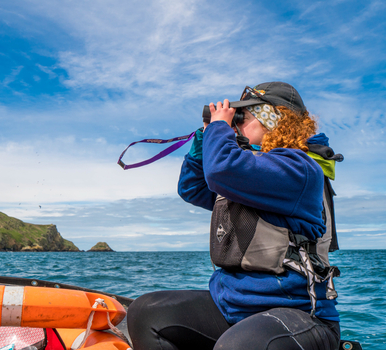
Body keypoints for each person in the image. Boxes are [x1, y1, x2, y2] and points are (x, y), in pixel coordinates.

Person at [127, 82, 343, 350]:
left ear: (273, 118)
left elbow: (221, 171)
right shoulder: (251, 174)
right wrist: (201, 145)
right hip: (236, 306)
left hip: (296, 312)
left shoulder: (300, 168)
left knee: (239, 345)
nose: (236, 124)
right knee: (146, 313)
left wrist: (218, 128)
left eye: (244, 116)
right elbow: (192, 189)